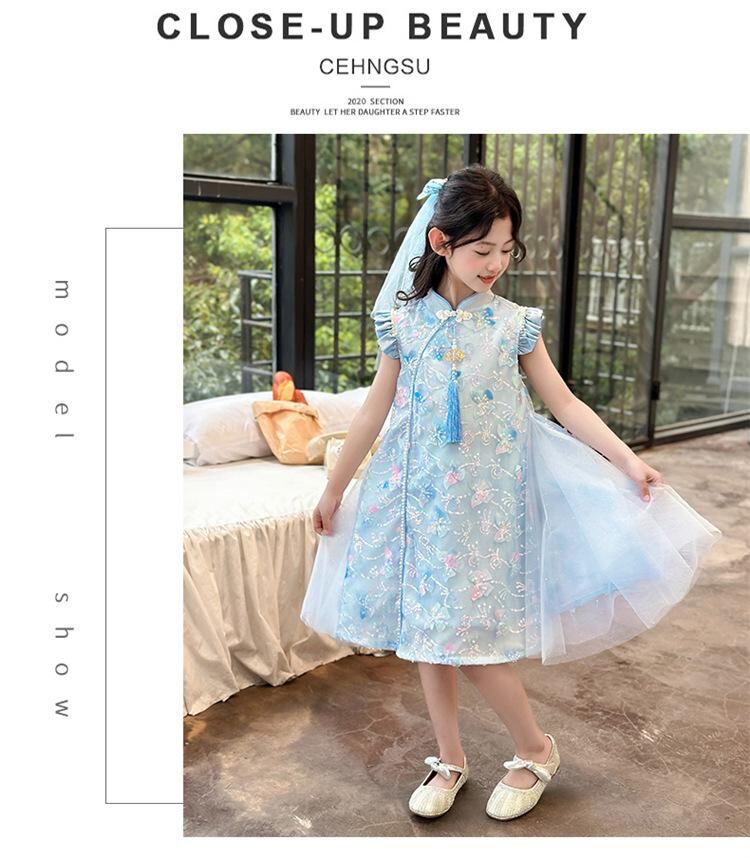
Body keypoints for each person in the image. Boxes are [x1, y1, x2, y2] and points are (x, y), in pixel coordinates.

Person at [300, 164, 722, 822]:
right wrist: (333, 489)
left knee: (470, 643)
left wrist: (627, 460)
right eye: (482, 250)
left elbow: (564, 403)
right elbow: (374, 412)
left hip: (486, 511)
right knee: (426, 636)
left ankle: (535, 748)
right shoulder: (403, 324)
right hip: (415, 502)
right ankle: (450, 757)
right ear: (441, 243)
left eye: (506, 249)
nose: (496, 263)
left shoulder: (513, 324)